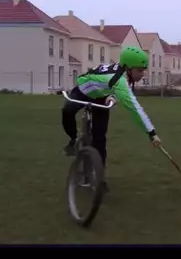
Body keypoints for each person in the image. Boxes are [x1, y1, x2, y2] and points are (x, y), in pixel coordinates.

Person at [61, 46, 161, 188]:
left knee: (100, 139)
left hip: (101, 98)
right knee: (67, 110)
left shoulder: (123, 78)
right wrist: (152, 133)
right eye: (140, 70)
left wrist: (112, 96)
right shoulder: (119, 79)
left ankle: (99, 177)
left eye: (143, 70)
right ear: (128, 68)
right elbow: (134, 107)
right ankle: (73, 138)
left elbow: (120, 92)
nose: (142, 74)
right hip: (83, 90)